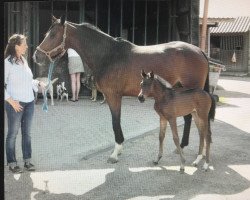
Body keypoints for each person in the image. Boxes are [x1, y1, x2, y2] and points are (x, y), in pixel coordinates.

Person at [4, 34, 46, 173]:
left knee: (27, 133)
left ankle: (27, 161)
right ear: (16, 46)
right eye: (24, 44)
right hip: (15, 104)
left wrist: (38, 83)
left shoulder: (24, 61)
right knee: (12, 134)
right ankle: (12, 162)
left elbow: (29, 81)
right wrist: (11, 101)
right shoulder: (7, 63)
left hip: (29, 103)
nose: (27, 46)